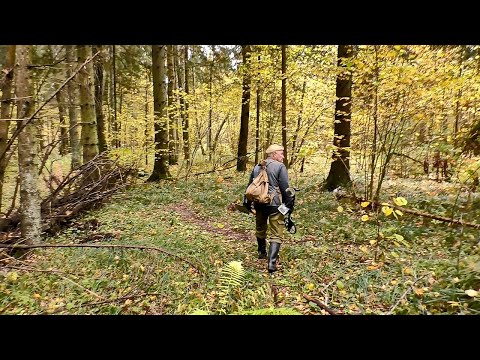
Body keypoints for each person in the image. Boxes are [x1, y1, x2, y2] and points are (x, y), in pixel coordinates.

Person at [243, 144, 294, 273]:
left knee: (260, 228)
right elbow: (285, 187)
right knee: (276, 233)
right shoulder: (280, 167)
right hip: (275, 205)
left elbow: (250, 186)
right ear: (273, 154)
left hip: (258, 204)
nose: (283, 156)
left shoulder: (257, 166)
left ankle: (261, 253)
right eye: (281, 153)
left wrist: (247, 204)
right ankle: (271, 264)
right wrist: (288, 205)